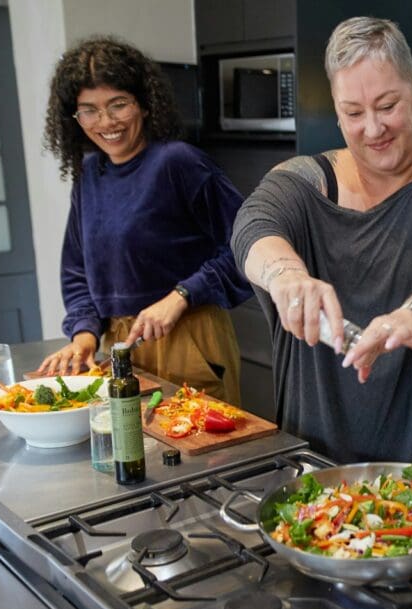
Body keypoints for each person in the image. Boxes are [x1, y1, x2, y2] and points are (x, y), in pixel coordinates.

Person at [231, 17, 412, 464]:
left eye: (387, 105)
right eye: (354, 113)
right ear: (338, 114)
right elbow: (253, 225)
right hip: (304, 470)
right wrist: (286, 278)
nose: (373, 128)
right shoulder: (304, 180)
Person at [37, 37, 253, 405]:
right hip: (119, 346)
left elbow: (250, 244)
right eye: (88, 110)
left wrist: (182, 295)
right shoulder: (89, 173)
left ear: (145, 104)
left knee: (200, 455)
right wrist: (84, 333)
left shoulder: (179, 163)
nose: (106, 122)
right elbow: (77, 272)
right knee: (134, 455)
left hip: (190, 340)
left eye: (118, 104)